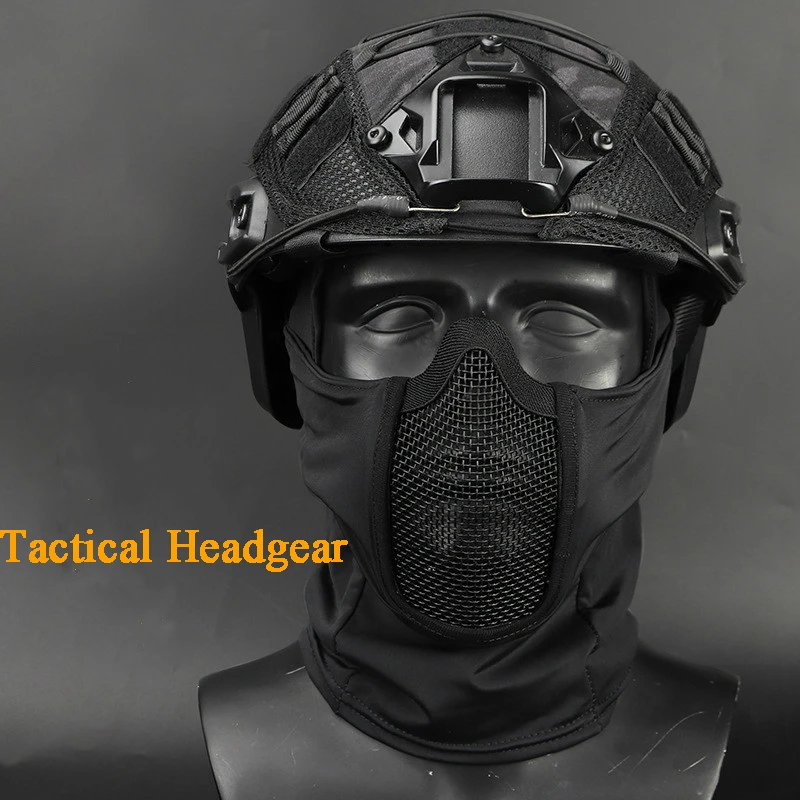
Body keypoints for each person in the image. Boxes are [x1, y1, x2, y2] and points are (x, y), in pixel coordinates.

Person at [202, 11, 746, 799]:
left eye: (565, 319)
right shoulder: (240, 733)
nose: (477, 411)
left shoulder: (710, 730)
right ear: (291, 365)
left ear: (668, 364)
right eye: (396, 315)